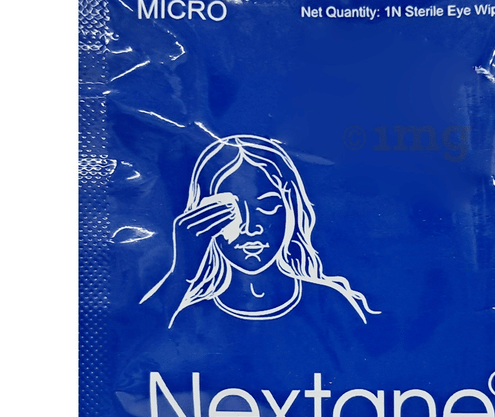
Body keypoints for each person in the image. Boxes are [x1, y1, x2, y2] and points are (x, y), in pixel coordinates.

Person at [141, 134, 378, 326]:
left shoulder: (332, 304)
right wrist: (183, 271)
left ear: (292, 211)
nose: (251, 228)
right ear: (202, 217)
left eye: (267, 206)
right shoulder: (184, 313)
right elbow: (135, 348)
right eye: (228, 210)